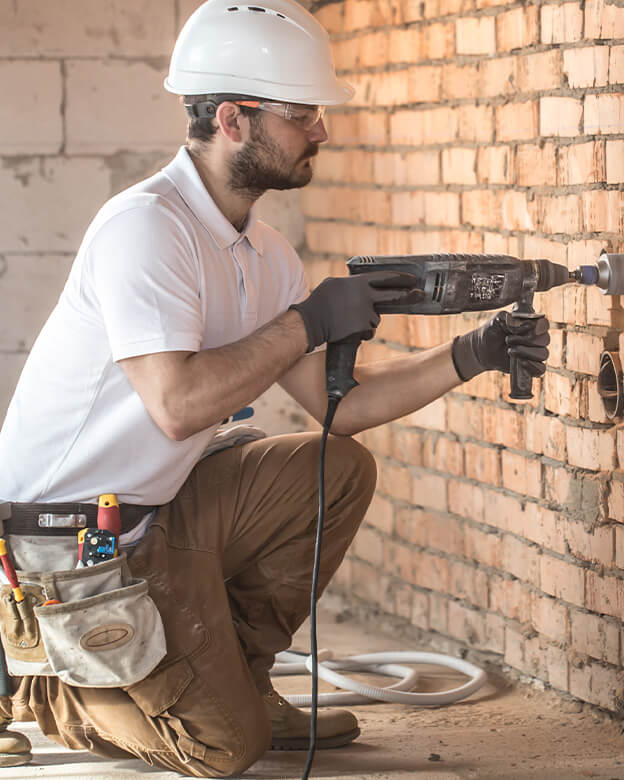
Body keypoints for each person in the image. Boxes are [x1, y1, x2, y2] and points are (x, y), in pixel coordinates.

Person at [0, 0, 550, 776]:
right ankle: (36, 686)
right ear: (232, 118)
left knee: (334, 467)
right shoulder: (145, 229)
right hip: (66, 542)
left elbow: (342, 411)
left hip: (161, 510)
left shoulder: (260, 252)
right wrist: (307, 321)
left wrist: (471, 352)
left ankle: (238, 676)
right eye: (303, 115)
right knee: (222, 750)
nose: (319, 131)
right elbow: (177, 405)